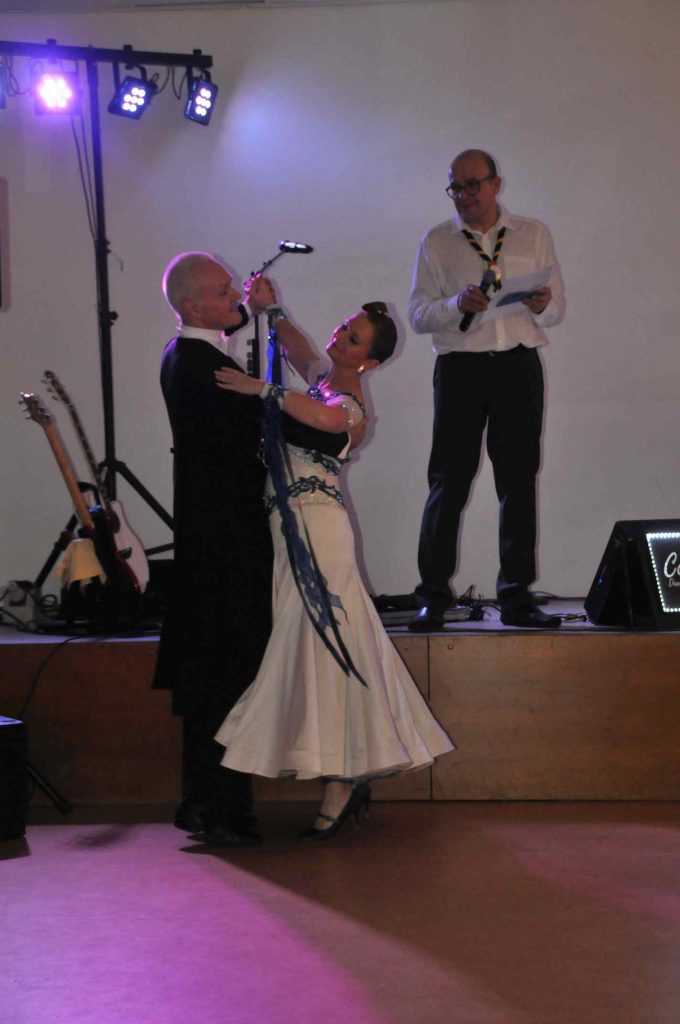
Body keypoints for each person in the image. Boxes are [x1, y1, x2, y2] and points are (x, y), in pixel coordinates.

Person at [212, 302, 454, 839]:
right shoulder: (322, 379)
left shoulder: (350, 406)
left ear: (369, 361)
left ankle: (342, 779)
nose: (341, 337)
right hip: (289, 528)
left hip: (318, 532)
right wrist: (271, 307)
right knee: (317, 647)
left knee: (328, 645)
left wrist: (262, 389)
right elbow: (301, 349)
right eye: (345, 327)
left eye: (354, 338)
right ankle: (344, 774)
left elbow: (325, 420)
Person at [152, 251, 280, 848]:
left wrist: (255, 317)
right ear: (192, 305)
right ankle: (217, 808)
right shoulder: (205, 367)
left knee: (218, 675)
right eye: (225, 291)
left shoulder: (187, 355)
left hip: (212, 542)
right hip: (226, 547)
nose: (237, 297)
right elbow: (257, 434)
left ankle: (212, 804)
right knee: (227, 676)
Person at [408, 149, 566, 632]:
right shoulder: (437, 241)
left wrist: (541, 303)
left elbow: (556, 310)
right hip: (461, 369)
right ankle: (433, 598)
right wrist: (456, 304)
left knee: (517, 482)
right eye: (455, 187)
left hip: (518, 365)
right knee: (448, 482)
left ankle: (517, 597)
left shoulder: (533, 234)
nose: (463, 196)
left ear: (496, 184)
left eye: (472, 185)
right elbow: (418, 313)